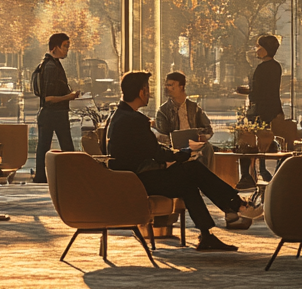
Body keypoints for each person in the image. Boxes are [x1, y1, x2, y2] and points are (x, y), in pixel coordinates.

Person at [107, 71, 263, 250]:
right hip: (139, 180)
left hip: (132, 178)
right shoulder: (133, 120)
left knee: (188, 181)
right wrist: (180, 155)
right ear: (141, 92)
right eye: (148, 89)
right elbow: (155, 152)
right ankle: (238, 205)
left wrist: (178, 154)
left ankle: (207, 234)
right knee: (192, 169)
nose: (149, 93)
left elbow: (148, 150)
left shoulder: (119, 116)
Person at [32, 32, 80, 184]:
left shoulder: (48, 64)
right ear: (55, 47)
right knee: (66, 145)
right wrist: (69, 97)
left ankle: (41, 176)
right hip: (55, 113)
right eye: (65, 46)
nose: (67, 50)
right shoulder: (52, 67)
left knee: (44, 146)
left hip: (49, 113)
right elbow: (49, 98)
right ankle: (72, 176)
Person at [236, 35, 283, 181]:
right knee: (266, 141)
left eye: (258, 46)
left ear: (265, 49)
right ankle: (262, 170)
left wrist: (245, 91)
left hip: (259, 110)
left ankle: (247, 175)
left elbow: (258, 92)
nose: (256, 50)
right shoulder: (276, 67)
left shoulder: (261, 68)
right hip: (273, 109)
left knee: (248, 141)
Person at [155, 72, 215, 168]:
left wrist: (202, 136)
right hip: (175, 148)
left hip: (194, 145)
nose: (167, 88)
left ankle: (207, 180)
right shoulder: (163, 111)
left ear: (181, 87)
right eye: (166, 85)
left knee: (207, 148)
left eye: (171, 85)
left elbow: (208, 129)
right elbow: (161, 134)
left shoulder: (194, 108)